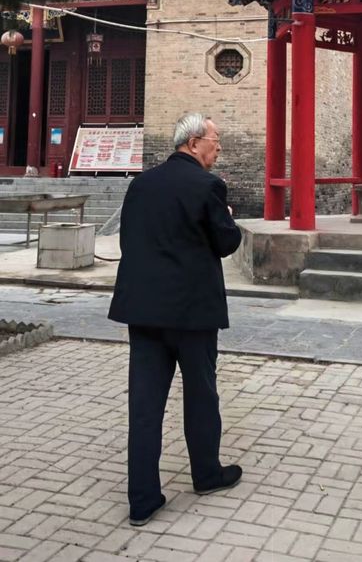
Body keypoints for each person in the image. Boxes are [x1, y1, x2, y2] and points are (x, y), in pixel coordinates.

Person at [109, 112, 243, 526]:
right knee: (201, 394)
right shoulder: (208, 185)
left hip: (144, 310)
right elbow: (226, 242)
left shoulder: (141, 183)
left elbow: (128, 239)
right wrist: (229, 218)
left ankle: (143, 499)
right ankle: (206, 474)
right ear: (193, 142)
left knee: (145, 405)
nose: (218, 147)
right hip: (192, 312)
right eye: (215, 139)